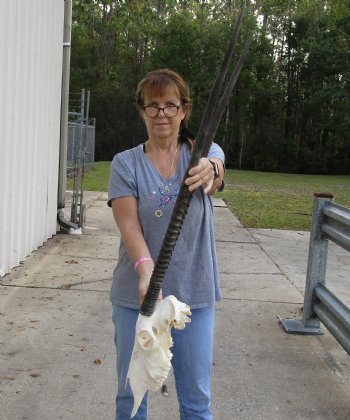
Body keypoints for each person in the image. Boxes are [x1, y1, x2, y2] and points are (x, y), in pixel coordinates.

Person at [108, 68, 225, 420]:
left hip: (195, 295)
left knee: (196, 401)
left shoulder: (202, 153)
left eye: (170, 105)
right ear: (142, 110)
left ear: (184, 110)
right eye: (153, 105)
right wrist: (146, 272)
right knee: (132, 399)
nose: (162, 114)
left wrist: (213, 168)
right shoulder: (125, 164)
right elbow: (128, 224)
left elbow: (216, 172)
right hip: (137, 297)